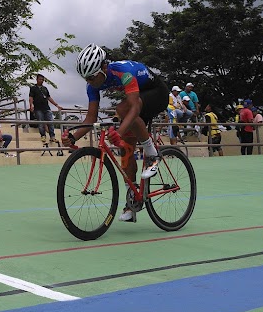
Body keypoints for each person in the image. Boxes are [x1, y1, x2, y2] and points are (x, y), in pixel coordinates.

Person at [62, 44, 168, 223]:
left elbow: (134, 107)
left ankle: (152, 155)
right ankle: (132, 201)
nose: (90, 82)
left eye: (93, 77)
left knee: (122, 109)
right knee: (125, 150)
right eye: (86, 78)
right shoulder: (92, 85)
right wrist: (73, 137)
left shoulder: (123, 72)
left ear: (104, 67)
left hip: (157, 93)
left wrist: (118, 131)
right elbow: (90, 118)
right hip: (136, 99)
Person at [29, 74, 64, 144]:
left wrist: (56, 105)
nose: (41, 81)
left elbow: (49, 97)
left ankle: (52, 137)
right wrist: (31, 105)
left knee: (50, 122)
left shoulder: (45, 88)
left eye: (42, 79)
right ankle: (43, 135)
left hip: (46, 108)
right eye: (40, 79)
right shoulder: (33, 88)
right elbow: (31, 97)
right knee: (41, 122)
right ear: (37, 79)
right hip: (38, 108)